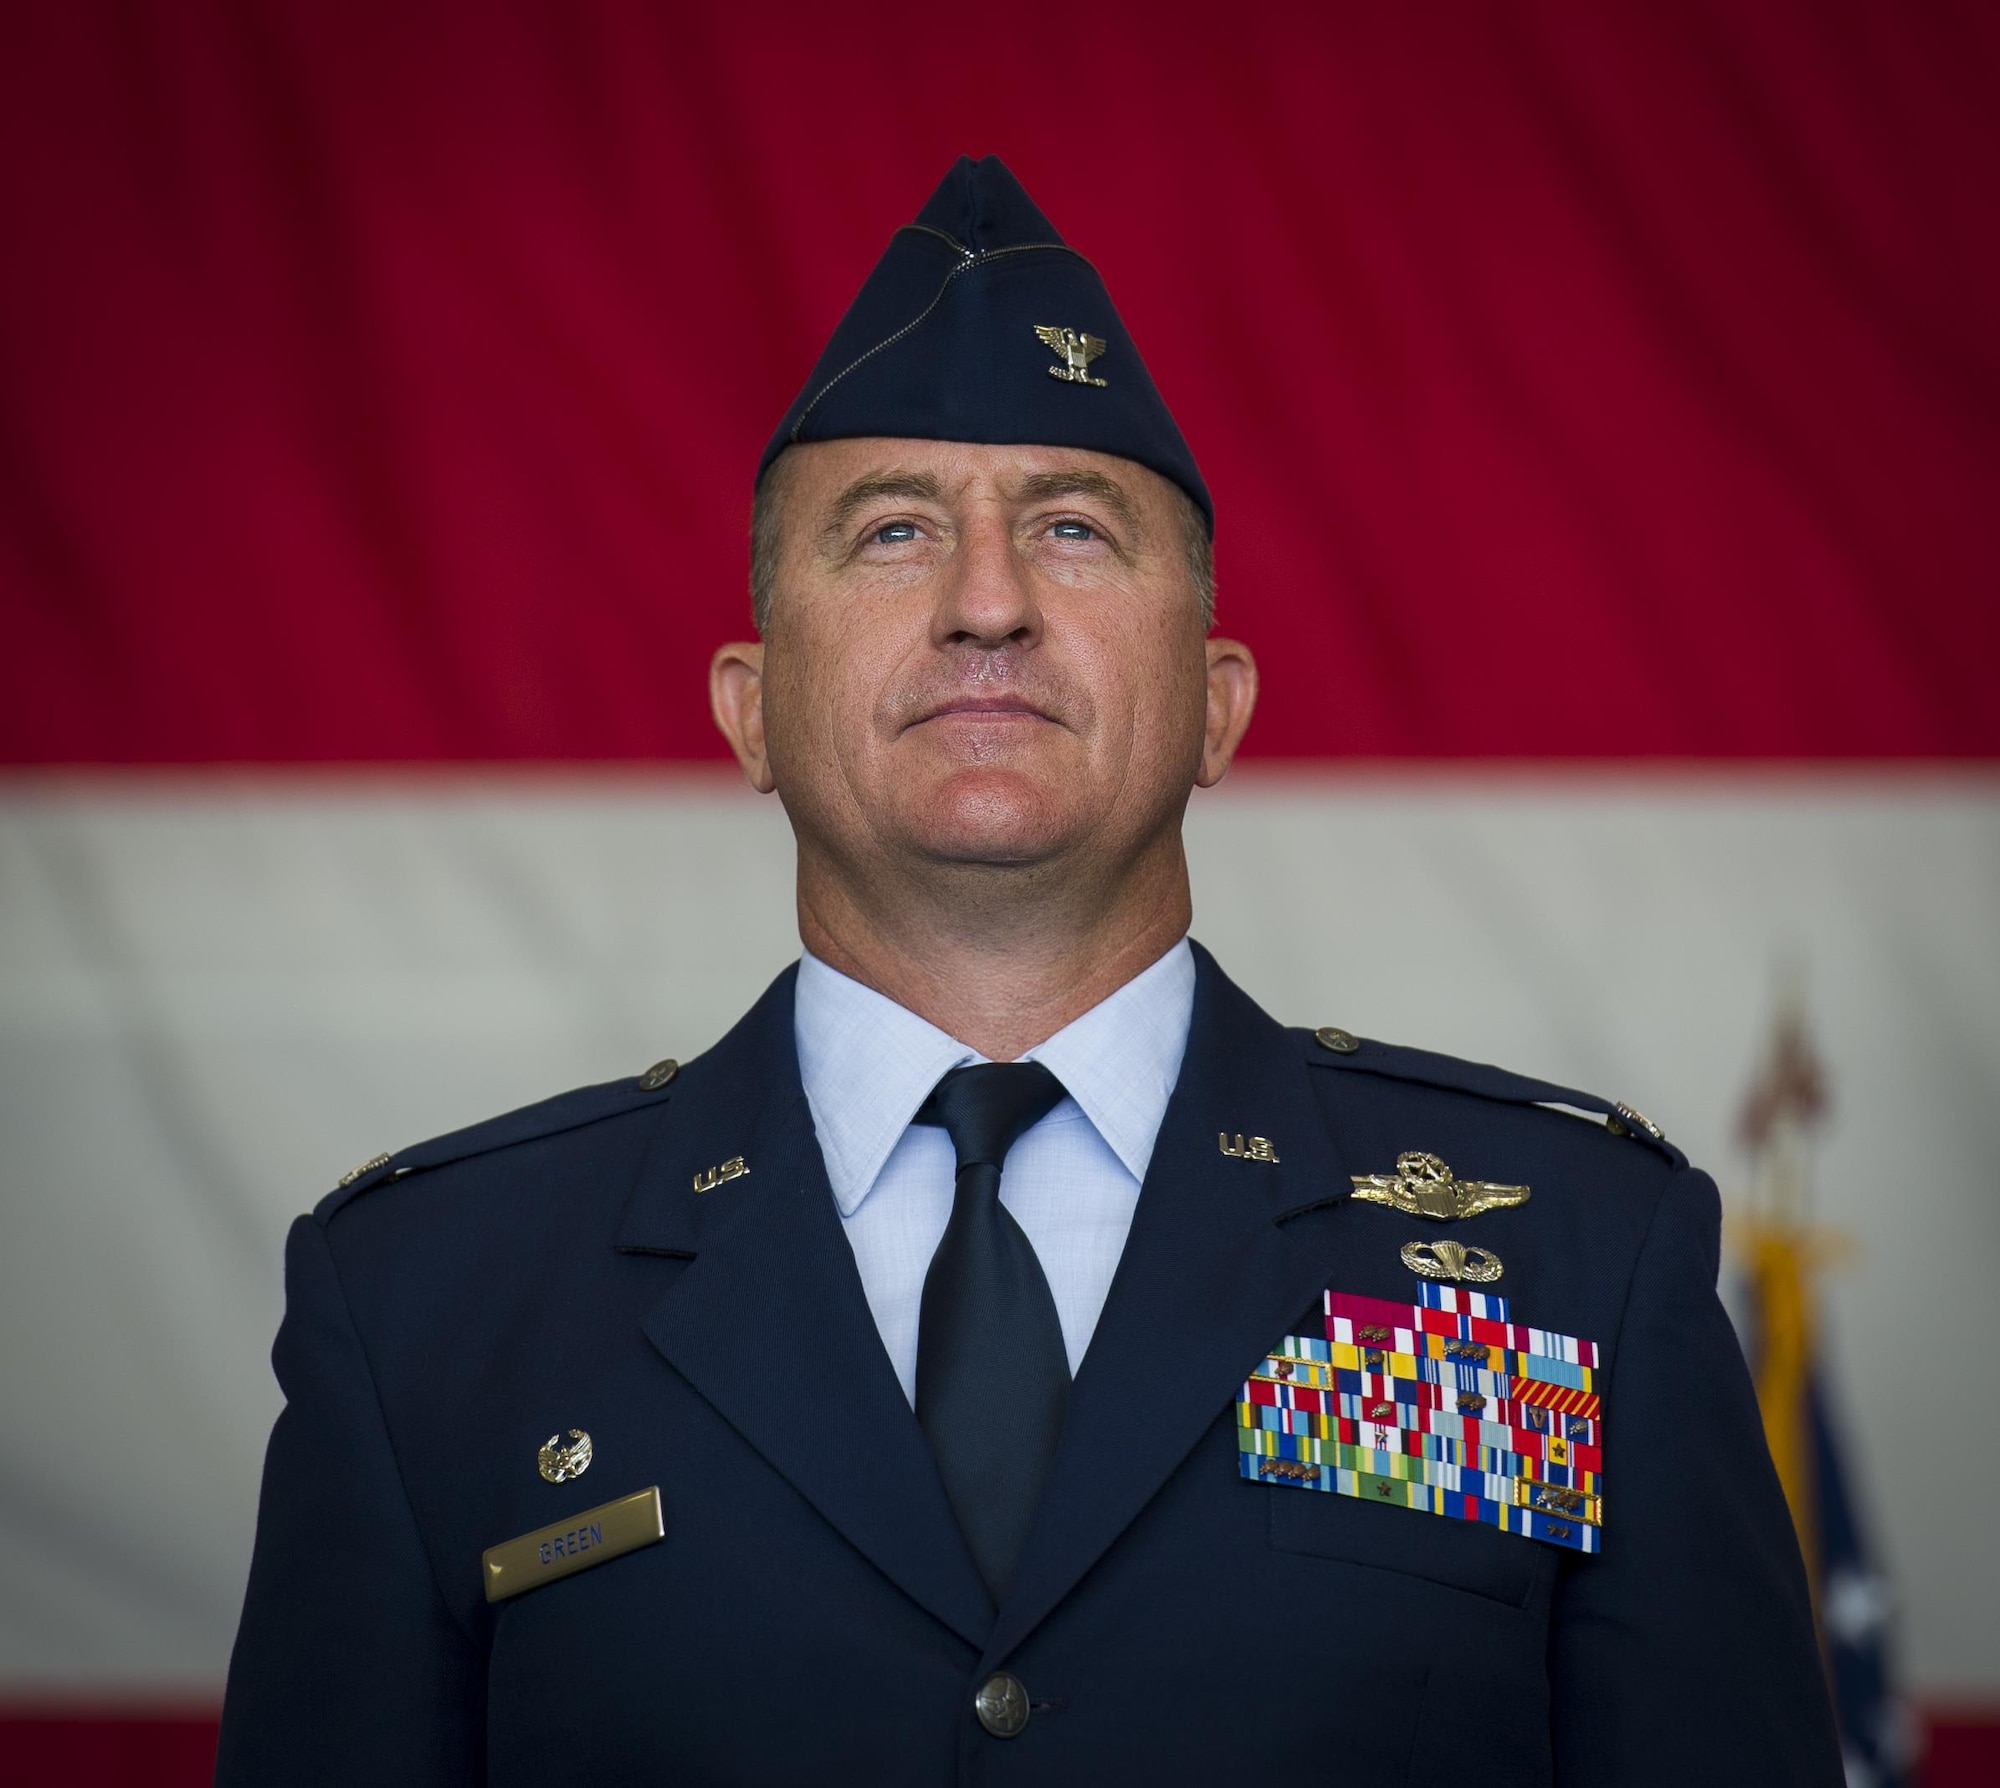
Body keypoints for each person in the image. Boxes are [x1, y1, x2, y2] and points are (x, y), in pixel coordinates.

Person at [216, 156, 1842, 1785]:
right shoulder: (430, 1306)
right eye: (894, 529)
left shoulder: (1575, 1271)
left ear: (1217, 705)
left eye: (1072, 528)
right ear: (749, 710)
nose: (986, 602)